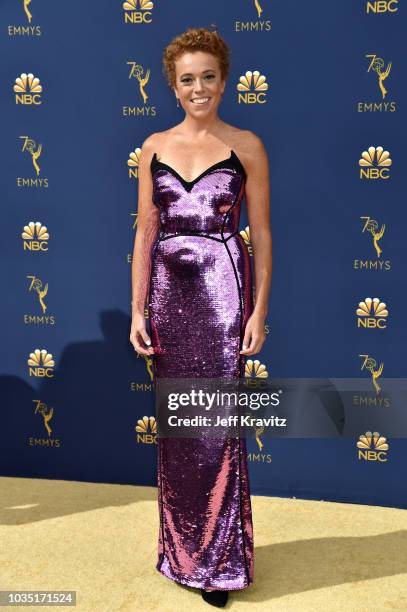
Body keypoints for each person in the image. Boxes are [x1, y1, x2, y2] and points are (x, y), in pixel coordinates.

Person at [130, 26, 272, 608]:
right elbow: (146, 230)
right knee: (178, 432)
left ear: (224, 80)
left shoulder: (248, 145)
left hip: (221, 291)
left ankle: (220, 565)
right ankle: (181, 553)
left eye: (208, 77)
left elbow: (259, 232)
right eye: (187, 79)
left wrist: (259, 310)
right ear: (173, 84)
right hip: (168, 291)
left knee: (216, 428)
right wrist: (138, 307)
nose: (198, 88)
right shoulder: (154, 145)